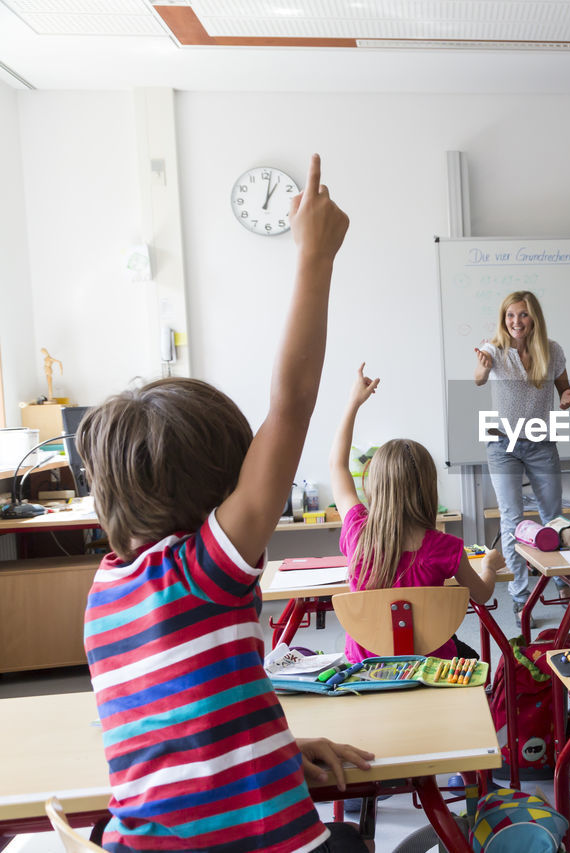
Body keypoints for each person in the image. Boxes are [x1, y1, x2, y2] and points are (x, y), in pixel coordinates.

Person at [79, 155, 377, 852]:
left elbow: (178, 721)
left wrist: (268, 751)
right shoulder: (199, 571)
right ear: (218, 481)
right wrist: (314, 256)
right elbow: (293, 405)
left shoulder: (105, 592)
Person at [329, 362, 503, 662]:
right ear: (428, 487)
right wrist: (489, 565)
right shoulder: (446, 548)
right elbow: (482, 595)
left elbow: (337, 466)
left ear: (375, 485)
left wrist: (353, 403)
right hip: (432, 668)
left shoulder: (357, 531)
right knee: (473, 656)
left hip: (368, 671)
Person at [474, 291, 570, 615]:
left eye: (523, 315)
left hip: (540, 442)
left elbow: (563, 387)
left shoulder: (552, 350)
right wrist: (482, 367)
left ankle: (560, 581)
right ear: (504, 320)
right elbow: (478, 379)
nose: (516, 321)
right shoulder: (494, 350)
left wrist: (567, 396)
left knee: (552, 516)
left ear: (534, 319)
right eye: (510, 316)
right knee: (512, 518)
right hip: (502, 445)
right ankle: (520, 595)